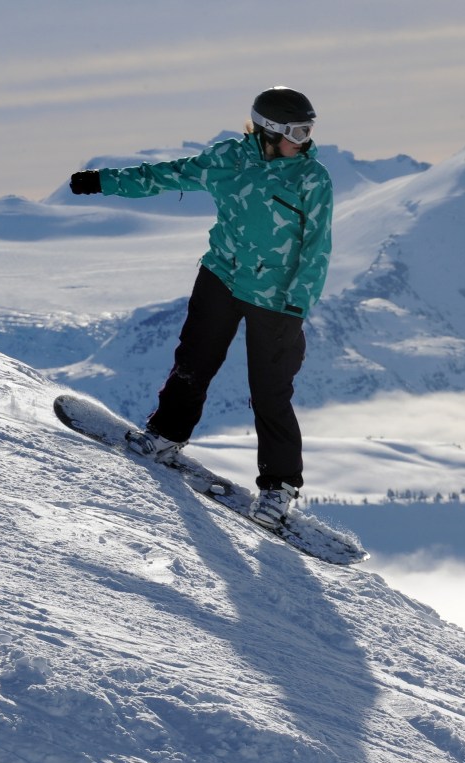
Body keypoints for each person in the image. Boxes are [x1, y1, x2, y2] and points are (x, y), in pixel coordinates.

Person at [69, 86, 333, 529]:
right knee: (193, 361)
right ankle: (166, 437)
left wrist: (297, 305)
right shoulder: (228, 159)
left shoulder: (312, 178)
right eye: (297, 131)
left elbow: (317, 247)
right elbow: (167, 175)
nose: (304, 140)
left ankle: (279, 487)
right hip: (221, 278)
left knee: (270, 391)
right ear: (269, 131)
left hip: (275, 297)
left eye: (309, 130)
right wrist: (103, 181)